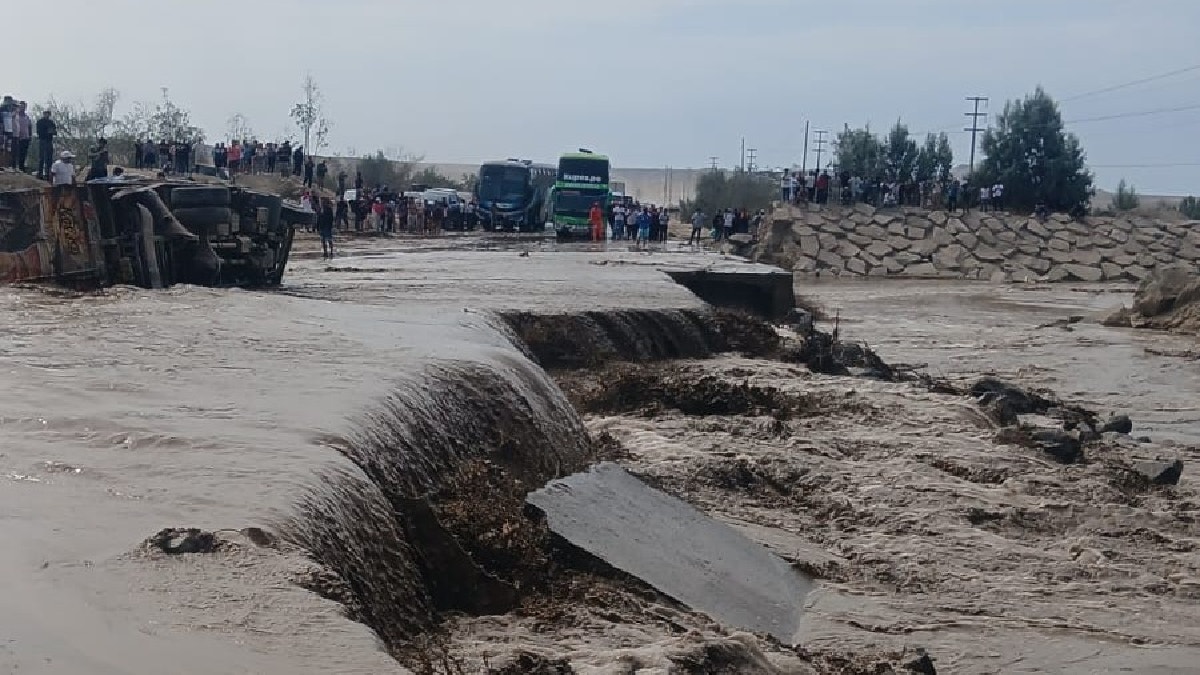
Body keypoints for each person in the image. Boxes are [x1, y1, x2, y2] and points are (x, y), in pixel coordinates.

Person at [35, 110, 56, 180]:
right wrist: (47, 131)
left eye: (48, 114)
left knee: (49, 158)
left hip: (49, 141)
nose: (47, 115)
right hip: (42, 140)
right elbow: (39, 131)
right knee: (42, 158)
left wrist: (51, 131)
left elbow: (54, 131)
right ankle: (40, 173)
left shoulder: (51, 122)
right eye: (45, 114)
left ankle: (48, 173)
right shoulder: (40, 122)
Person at [13, 102, 32, 172]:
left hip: (26, 137)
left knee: (24, 153)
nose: (22, 108)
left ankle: (22, 166)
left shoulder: (27, 117)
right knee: (18, 152)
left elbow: (30, 126)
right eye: (21, 107)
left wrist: (30, 135)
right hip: (18, 136)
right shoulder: (16, 116)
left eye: (24, 107)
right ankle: (16, 166)